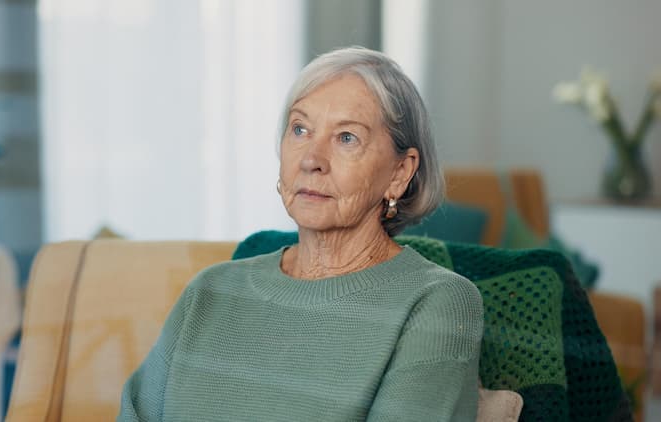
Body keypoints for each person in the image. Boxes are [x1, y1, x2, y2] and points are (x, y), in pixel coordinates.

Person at [117, 46, 484, 421]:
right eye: (300, 129)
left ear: (399, 173)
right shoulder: (209, 291)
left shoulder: (436, 303)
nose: (311, 160)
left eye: (346, 138)